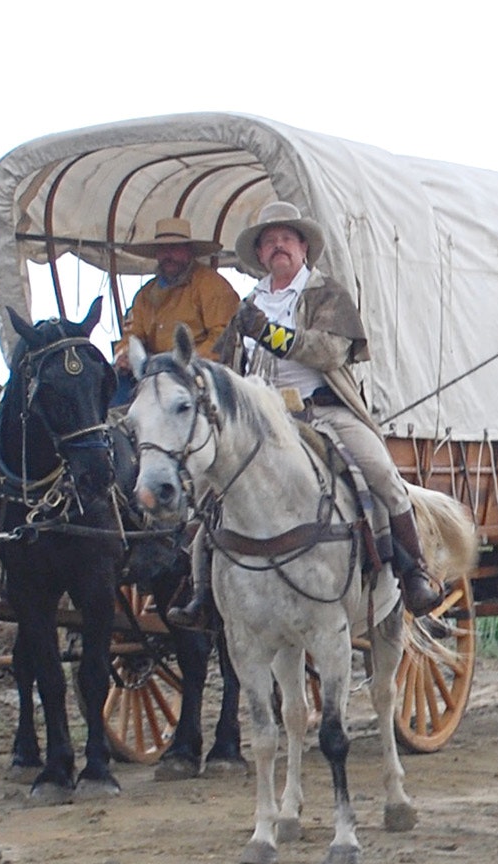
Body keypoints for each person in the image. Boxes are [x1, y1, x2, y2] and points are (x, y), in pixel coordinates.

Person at [166, 201, 442, 630]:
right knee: (202, 489)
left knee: (380, 473)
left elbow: (329, 350)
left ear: (302, 248)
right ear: (260, 255)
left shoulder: (325, 293)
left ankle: (414, 572)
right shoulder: (249, 303)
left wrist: (269, 333)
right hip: (261, 421)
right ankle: (201, 589)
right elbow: (226, 368)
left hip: (323, 411)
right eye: (269, 241)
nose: (278, 246)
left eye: (287, 239)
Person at [109, 218, 240, 407]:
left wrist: (184, 362)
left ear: (189, 252)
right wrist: (123, 354)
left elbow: (224, 338)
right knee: (113, 390)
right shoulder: (145, 294)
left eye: (175, 248)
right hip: (154, 374)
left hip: (200, 373)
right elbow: (131, 335)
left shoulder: (211, 286)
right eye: (162, 249)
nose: (168, 255)